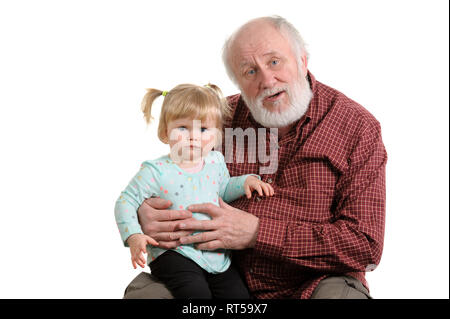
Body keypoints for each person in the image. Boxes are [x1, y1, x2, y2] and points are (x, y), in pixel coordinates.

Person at [123, 15, 387, 299]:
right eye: (249, 71)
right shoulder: (216, 121)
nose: (266, 80)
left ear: (302, 60)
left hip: (315, 285)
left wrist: (257, 233)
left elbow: (364, 245)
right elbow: (174, 178)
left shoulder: (357, 126)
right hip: (216, 275)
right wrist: (145, 215)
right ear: (236, 80)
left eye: (275, 62)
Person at [115, 83, 274, 299]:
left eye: (203, 129)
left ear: (216, 135)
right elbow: (125, 201)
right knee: (195, 294)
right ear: (164, 132)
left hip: (215, 255)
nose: (193, 136)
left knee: (238, 297)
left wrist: (246, 181)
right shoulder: (156, 171)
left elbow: (223, 189)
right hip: (174, 253)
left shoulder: (215, 161)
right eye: (183, 128)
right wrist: (134, 235)